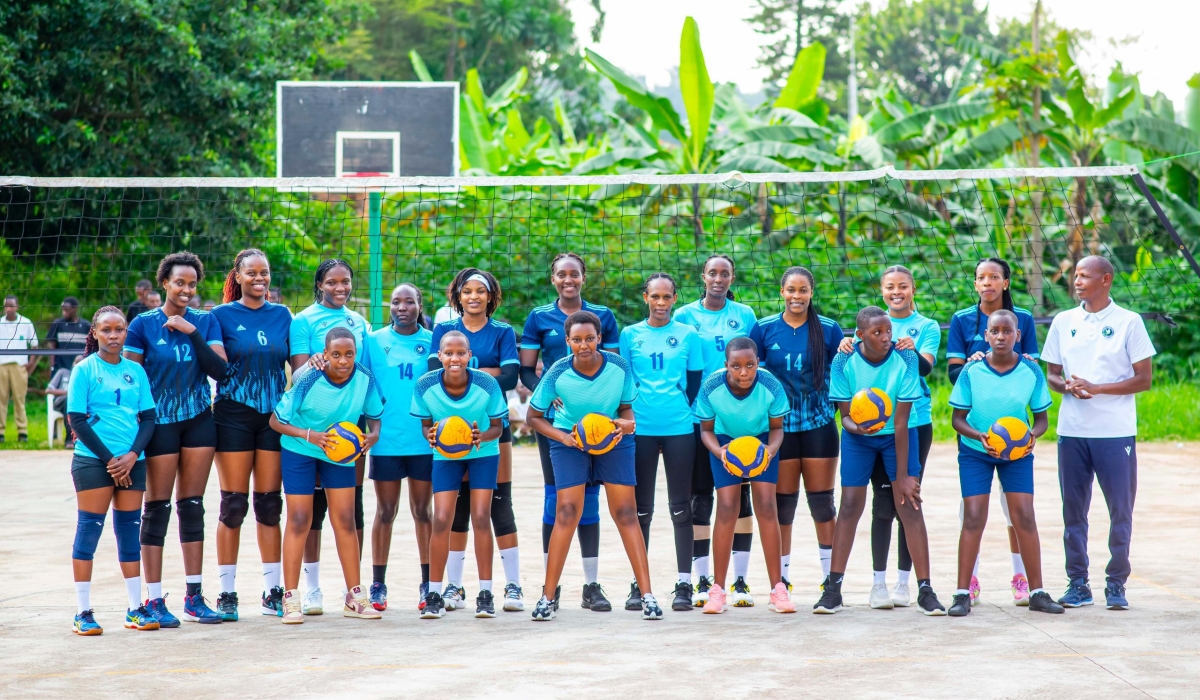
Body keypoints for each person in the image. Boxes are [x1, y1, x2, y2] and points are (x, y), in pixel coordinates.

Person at [526, 310, 662, 621]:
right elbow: (533, 417)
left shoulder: (618, 366)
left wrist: (627, 425)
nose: (584, 345)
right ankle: (548, 598)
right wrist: (563, 437)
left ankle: (648, 596)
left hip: (612, 439)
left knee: (626, 513)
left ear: (600, 339)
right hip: (570, 442)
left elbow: (627, 410)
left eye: (590, 338)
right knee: (567, 512)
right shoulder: (558, 371)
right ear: (567, 341)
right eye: (577, 339)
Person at [1042, 255, 1155, 611]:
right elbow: (1053, 375)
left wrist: (1098, 388)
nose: (1076, 281)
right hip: (1072, 432)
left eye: (1084, 276)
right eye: (1075, 275)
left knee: (1120, 510)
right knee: (1073, 511)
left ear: (1105, 280)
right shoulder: (1063, 321)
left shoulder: (1129, 322)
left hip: (1115, 432)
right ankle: (1078, 584)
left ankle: (1116, 584)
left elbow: (1144, 379)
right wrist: (1069, 387)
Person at [816, 306, 945, 616]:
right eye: (877, 332)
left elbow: (901, 421)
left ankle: (925, 589)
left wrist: (903, 476)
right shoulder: (844, 359)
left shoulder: (906, 358)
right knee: (849, 505)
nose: (886, 337)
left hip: (898, 433)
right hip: (859, 437)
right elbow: (845, 416)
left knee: (909, 502)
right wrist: (859, 428)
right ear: (860, 335)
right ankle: (833, 589)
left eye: (889, 331)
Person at [124, 252, 228, 626]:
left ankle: (194, 597)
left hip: (200, 419)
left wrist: (192, 332)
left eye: (192, 283)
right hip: (161, 423)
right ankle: (153, 599)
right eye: (179, 282)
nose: (186, 289)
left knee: (193, 504)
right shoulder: (142, 325)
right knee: (157, 508)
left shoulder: (206, 320)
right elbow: (131, 379)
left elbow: (220, 369)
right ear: (164, 282)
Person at [519, 253, 619, 611]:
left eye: (574, 274)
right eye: (561, 274)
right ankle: (552, 586)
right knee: (557, 501)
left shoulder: (603, 317)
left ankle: (591, 585)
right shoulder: (539, 318)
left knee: (590, 500)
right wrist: (551, 393)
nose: (568, 280)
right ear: (553, 279)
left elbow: (614, 369)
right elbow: (527, 371)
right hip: (558, 425)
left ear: (583, 277)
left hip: (598, 424)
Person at [948, 310, 1063, 616]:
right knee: (973, 516)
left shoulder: (1031, 371)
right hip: (976, 450)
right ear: (985, 336)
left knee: (1023, 515)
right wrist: (978, 435)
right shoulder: (971, 372)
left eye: (1006, 331)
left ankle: (1037, 591)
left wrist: (1030, 438)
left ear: (1017, 335)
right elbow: (957, 419)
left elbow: (1041, 420)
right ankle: (962, 593)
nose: (1000, 336)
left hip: (1017, 454)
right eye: (994, 331)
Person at [270, 327, 384, 624]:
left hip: (338, 449)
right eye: (336, 354)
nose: (343, 360)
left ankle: (355, 596)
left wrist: (373, 436)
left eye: (349, 354)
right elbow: (276, 421)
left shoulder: (365, 378)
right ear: (325, 353)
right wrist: (310, 435)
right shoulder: (309, 378)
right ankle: (291, 598)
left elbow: (375, 416)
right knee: (298, 519)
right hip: (301, 446)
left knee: (346, 519)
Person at [946, 258, 1040, 605]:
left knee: (1015, 508)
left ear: (1005, 282)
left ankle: (1021, 577)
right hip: (978, 431)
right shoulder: (961, 320)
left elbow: (1029, 369)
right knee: (971, 512)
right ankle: (968, 582)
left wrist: (1032, 429)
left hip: (1014, 428)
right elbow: (954, 372)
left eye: (994, 277)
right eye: (981, 278)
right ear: (975, 284)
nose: (988, 282)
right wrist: (973, 366)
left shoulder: (1024, 320)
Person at [429, 268, 524, 612]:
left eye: (479, 291)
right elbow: (434, 374)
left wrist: (465, 374)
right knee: (457, 509)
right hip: (449, 431)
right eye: (466, 291)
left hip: (491, 427)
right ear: (456, 296)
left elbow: (512, 377)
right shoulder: (442, 330)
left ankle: (512, 585)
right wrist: (484, 375)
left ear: (490, 296)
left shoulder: (502, 332)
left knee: (499, 504)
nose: (473, 296)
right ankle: (454, 586)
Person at [210, 249, 293, 620]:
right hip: (233, 415)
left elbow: (300, 366)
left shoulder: (283, 315)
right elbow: (212, 365)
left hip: (273, 417)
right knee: (233, 505)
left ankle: (272, 590)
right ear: (238, 276)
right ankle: (227, 592)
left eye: (265, 272)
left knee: (269, 505)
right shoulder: (221, 316)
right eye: (252, 273)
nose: (260, 278)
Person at [66, 306, 159, 635]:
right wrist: (111, 460)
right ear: (94, 333)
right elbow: (76, 419)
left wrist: (132, 455)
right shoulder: (85, 370)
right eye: (106, 330)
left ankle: (135, 609)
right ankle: (83, 612)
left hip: (132, 462)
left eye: (119, 329)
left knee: (128, 533)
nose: (114, 335)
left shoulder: (136, 371)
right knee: (89, 531)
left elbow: (148, 418)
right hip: (93, 461)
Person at [749, 267, 843, 591]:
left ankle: (831, 579)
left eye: (803, 290)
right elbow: (751, 378)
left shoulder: (829, 330)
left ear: (811, 293)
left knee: (822, 503)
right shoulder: (762, 329)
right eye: (791, 290)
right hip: (780, 428)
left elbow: (844, 376)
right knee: (783, 505)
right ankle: (782, 580)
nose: (797, 296)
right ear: (782, 291)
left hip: (819, 425)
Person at [674, 255, 760, 608]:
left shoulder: (746, 315)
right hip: (698, 418)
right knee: (701, 499)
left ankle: (740, 580)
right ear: (703, 277)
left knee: (740, 498)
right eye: (713, 272)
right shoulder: (683, 315)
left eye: (725, 273)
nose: (718, 278)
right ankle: (702, 579)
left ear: (732, 277)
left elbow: (754, 362)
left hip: (737, 422)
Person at [288, 259, 372, 615]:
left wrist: (369, 430)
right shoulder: (303, 320)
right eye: (332, 282)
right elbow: (303, 369)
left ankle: (355, 593)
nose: (340, 288)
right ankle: (306, 591)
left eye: (346, 282)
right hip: (309, 431)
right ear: (320, 283)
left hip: (347, 434)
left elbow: (362, 373)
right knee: (305, 516)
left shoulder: (360, 323)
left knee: (348, 514)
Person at [620, 272, 705, 613]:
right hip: (640, 429)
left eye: (666, 297)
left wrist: (682, 406)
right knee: (641, 509)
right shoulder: (630, 335)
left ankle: (684, 584)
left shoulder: (687, 334)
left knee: (681, 507)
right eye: (654, 297)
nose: (660, 303)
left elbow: (695, 380)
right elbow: (625, 381)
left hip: (679, 428)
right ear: (645, 298)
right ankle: (639, 586)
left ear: (674, 298)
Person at [694, 337, 794, 614]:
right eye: (736, 366)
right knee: (727, 507)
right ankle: (718, 590)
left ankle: (778, 589)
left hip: (761, 441)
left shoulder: (770, 385)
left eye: (750, 365)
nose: (744, 372)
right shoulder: (711, 386)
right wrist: (721, 453)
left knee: (765, 505)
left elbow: (777, 429)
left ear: (758, 363)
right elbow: (706, 431)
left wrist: (770, 451)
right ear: (726, 365)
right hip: (725, 442)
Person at [412, 331, 508, 619]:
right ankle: (433, 593)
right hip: (446, 456)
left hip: (482, 453)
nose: (455, 358)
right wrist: (430, 436)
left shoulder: (487, 383)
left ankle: (486, 593)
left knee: (481, 517)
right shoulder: (425, 385)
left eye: (461, 353)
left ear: (470, 356)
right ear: (439, 356)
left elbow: (498, 428)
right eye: (449, 353)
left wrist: (481, 436)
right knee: (441, 518)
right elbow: (426, 427)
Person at [361, 283, 435, 612]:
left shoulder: (433, 343)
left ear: (420, 305)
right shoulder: (373, 341)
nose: (402, 307)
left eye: (409, 301)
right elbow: (361, 382)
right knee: (385, 512)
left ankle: (428, 583)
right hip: (386, 440)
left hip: (424, 441)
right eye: (395, 302)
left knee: (423, 512)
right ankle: (378, 585)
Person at [0, 294, 38, 443]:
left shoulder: (26, 323)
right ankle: (1, 433)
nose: (9, 308)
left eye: (11, 305)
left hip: (19, 365)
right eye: (6, 306)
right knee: (0, 401)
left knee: (19, 400)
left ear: (16, 307)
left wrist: (31, 363)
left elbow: (34, 345)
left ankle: (22, 432)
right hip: (1, 365)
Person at [46, 297, 91, 373]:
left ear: (75, 309)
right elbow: (52, 347)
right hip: (60, 368)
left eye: (67, 310)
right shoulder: (58, 324)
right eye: (63, 310)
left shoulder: (86, 325)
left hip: (80, 368)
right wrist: (52, 367)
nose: (64, 312)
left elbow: (90, 348)